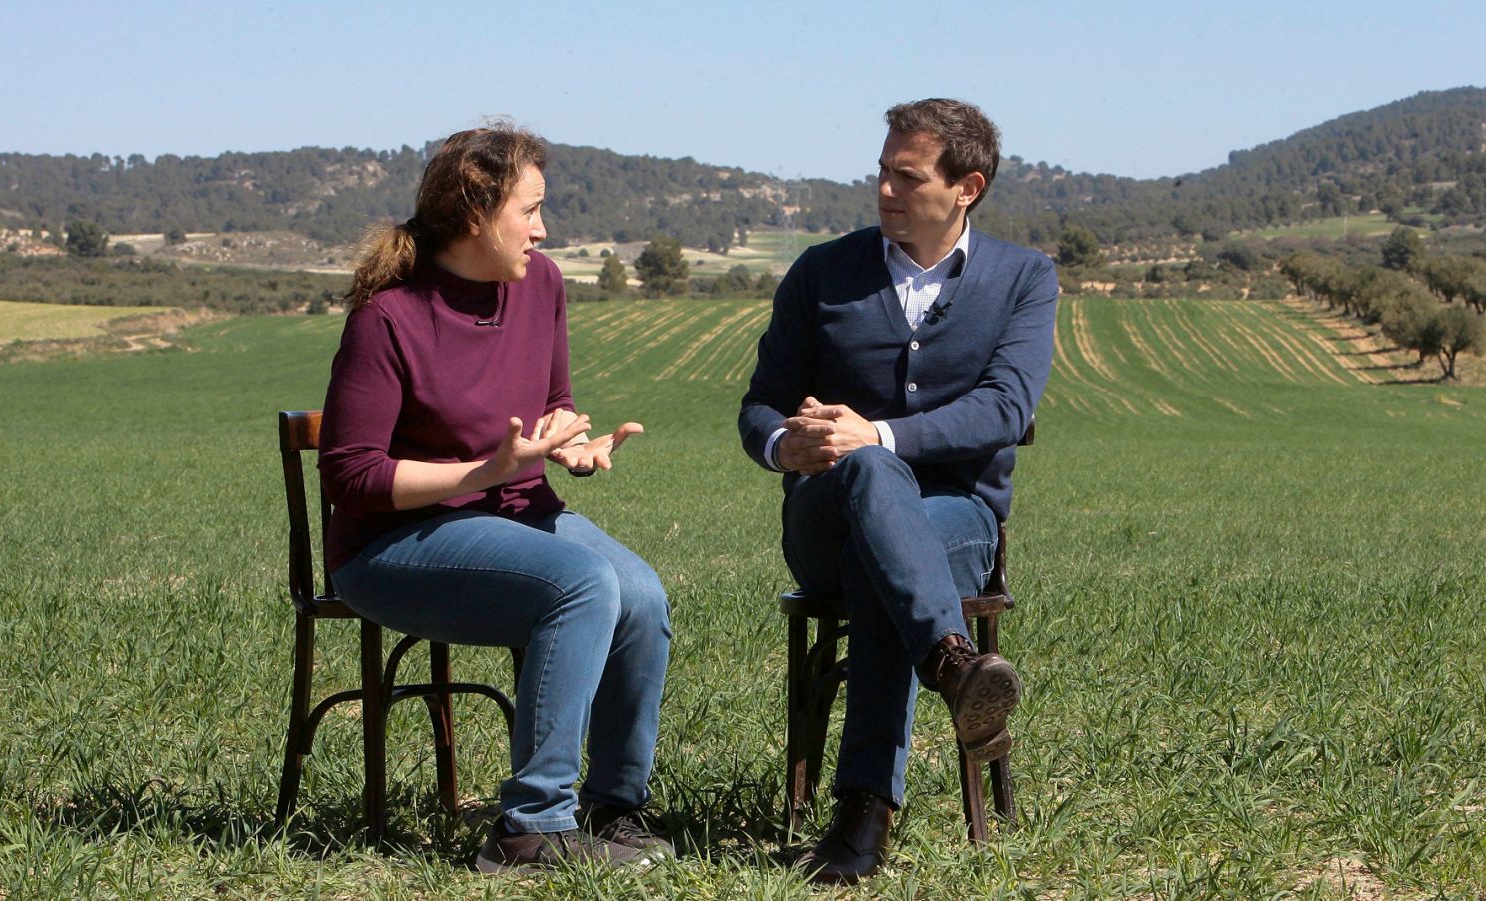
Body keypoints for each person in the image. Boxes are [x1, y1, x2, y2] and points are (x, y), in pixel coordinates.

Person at [318, 122, 672, 872]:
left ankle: (613, 808)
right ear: (475, 212)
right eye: (530, 210)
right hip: (394, 545)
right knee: (582, 586)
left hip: (516, 516)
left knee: (641, 593)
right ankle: (530, 829)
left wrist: (572, 443)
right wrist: (481, 471)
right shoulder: (388, 319)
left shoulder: (539, 284)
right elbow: (350, 476)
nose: (543, 230)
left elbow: (554, 401)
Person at [738, 98, 1057, 884]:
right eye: (880, 171)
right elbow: (758, 406)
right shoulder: (821, 271)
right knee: (875, 497)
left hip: (961, 520)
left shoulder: (1024, 278)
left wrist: (874, 435)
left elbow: (1006, 407)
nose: (883, 189)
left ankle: (861, 826)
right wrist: (790, 443)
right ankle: (953, 668)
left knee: (886, 562)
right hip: (823, 516)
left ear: (967, 188)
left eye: (905, 177)